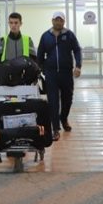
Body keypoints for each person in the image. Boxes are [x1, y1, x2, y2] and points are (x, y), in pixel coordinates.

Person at [36, 11, 81, 141]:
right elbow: (40, 54)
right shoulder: (46, 36)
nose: (58, 22)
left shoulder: (69, 35)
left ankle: (63, 118)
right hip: (51, 74)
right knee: (53, 101)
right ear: (52, 21)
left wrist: (78, 66)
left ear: (64, 22)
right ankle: (55, 129)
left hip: (66, 73)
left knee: (68, 99)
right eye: (56, 20)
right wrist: (43, 69)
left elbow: (77, 50)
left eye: (61, 20)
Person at [0, 12, 36, 81]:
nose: (13, 25)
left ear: (20, 24)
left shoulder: (28, 40)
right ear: (8, 23)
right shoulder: (2, 40)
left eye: (16, 23)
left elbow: (34, 59)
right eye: (11, 23)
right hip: (7, 77)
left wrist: (35, 75)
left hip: (24, 77)